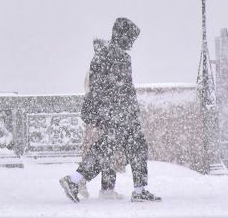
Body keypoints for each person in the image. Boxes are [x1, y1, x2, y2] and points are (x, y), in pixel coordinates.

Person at [59, 18, 161, 203]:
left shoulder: (101, 55)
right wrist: (130, 114)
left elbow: (96, 87)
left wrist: (101, 113)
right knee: (131, 147)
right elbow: (125, 91)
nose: (131, 43)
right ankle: (137, 190)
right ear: (122, 35)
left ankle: (75, 180)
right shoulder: (121, 57)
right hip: (121, 114)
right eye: (130, 38)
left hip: (109, 112)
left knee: (108, 148)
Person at [77, 38, 123, 200]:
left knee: (101, 152)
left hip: (96, 119)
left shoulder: (94, 69)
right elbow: (102, 95)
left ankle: (101, 187)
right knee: (106, 152)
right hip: (101, 119)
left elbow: (90, 93)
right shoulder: (102, 70)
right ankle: (82, 181)